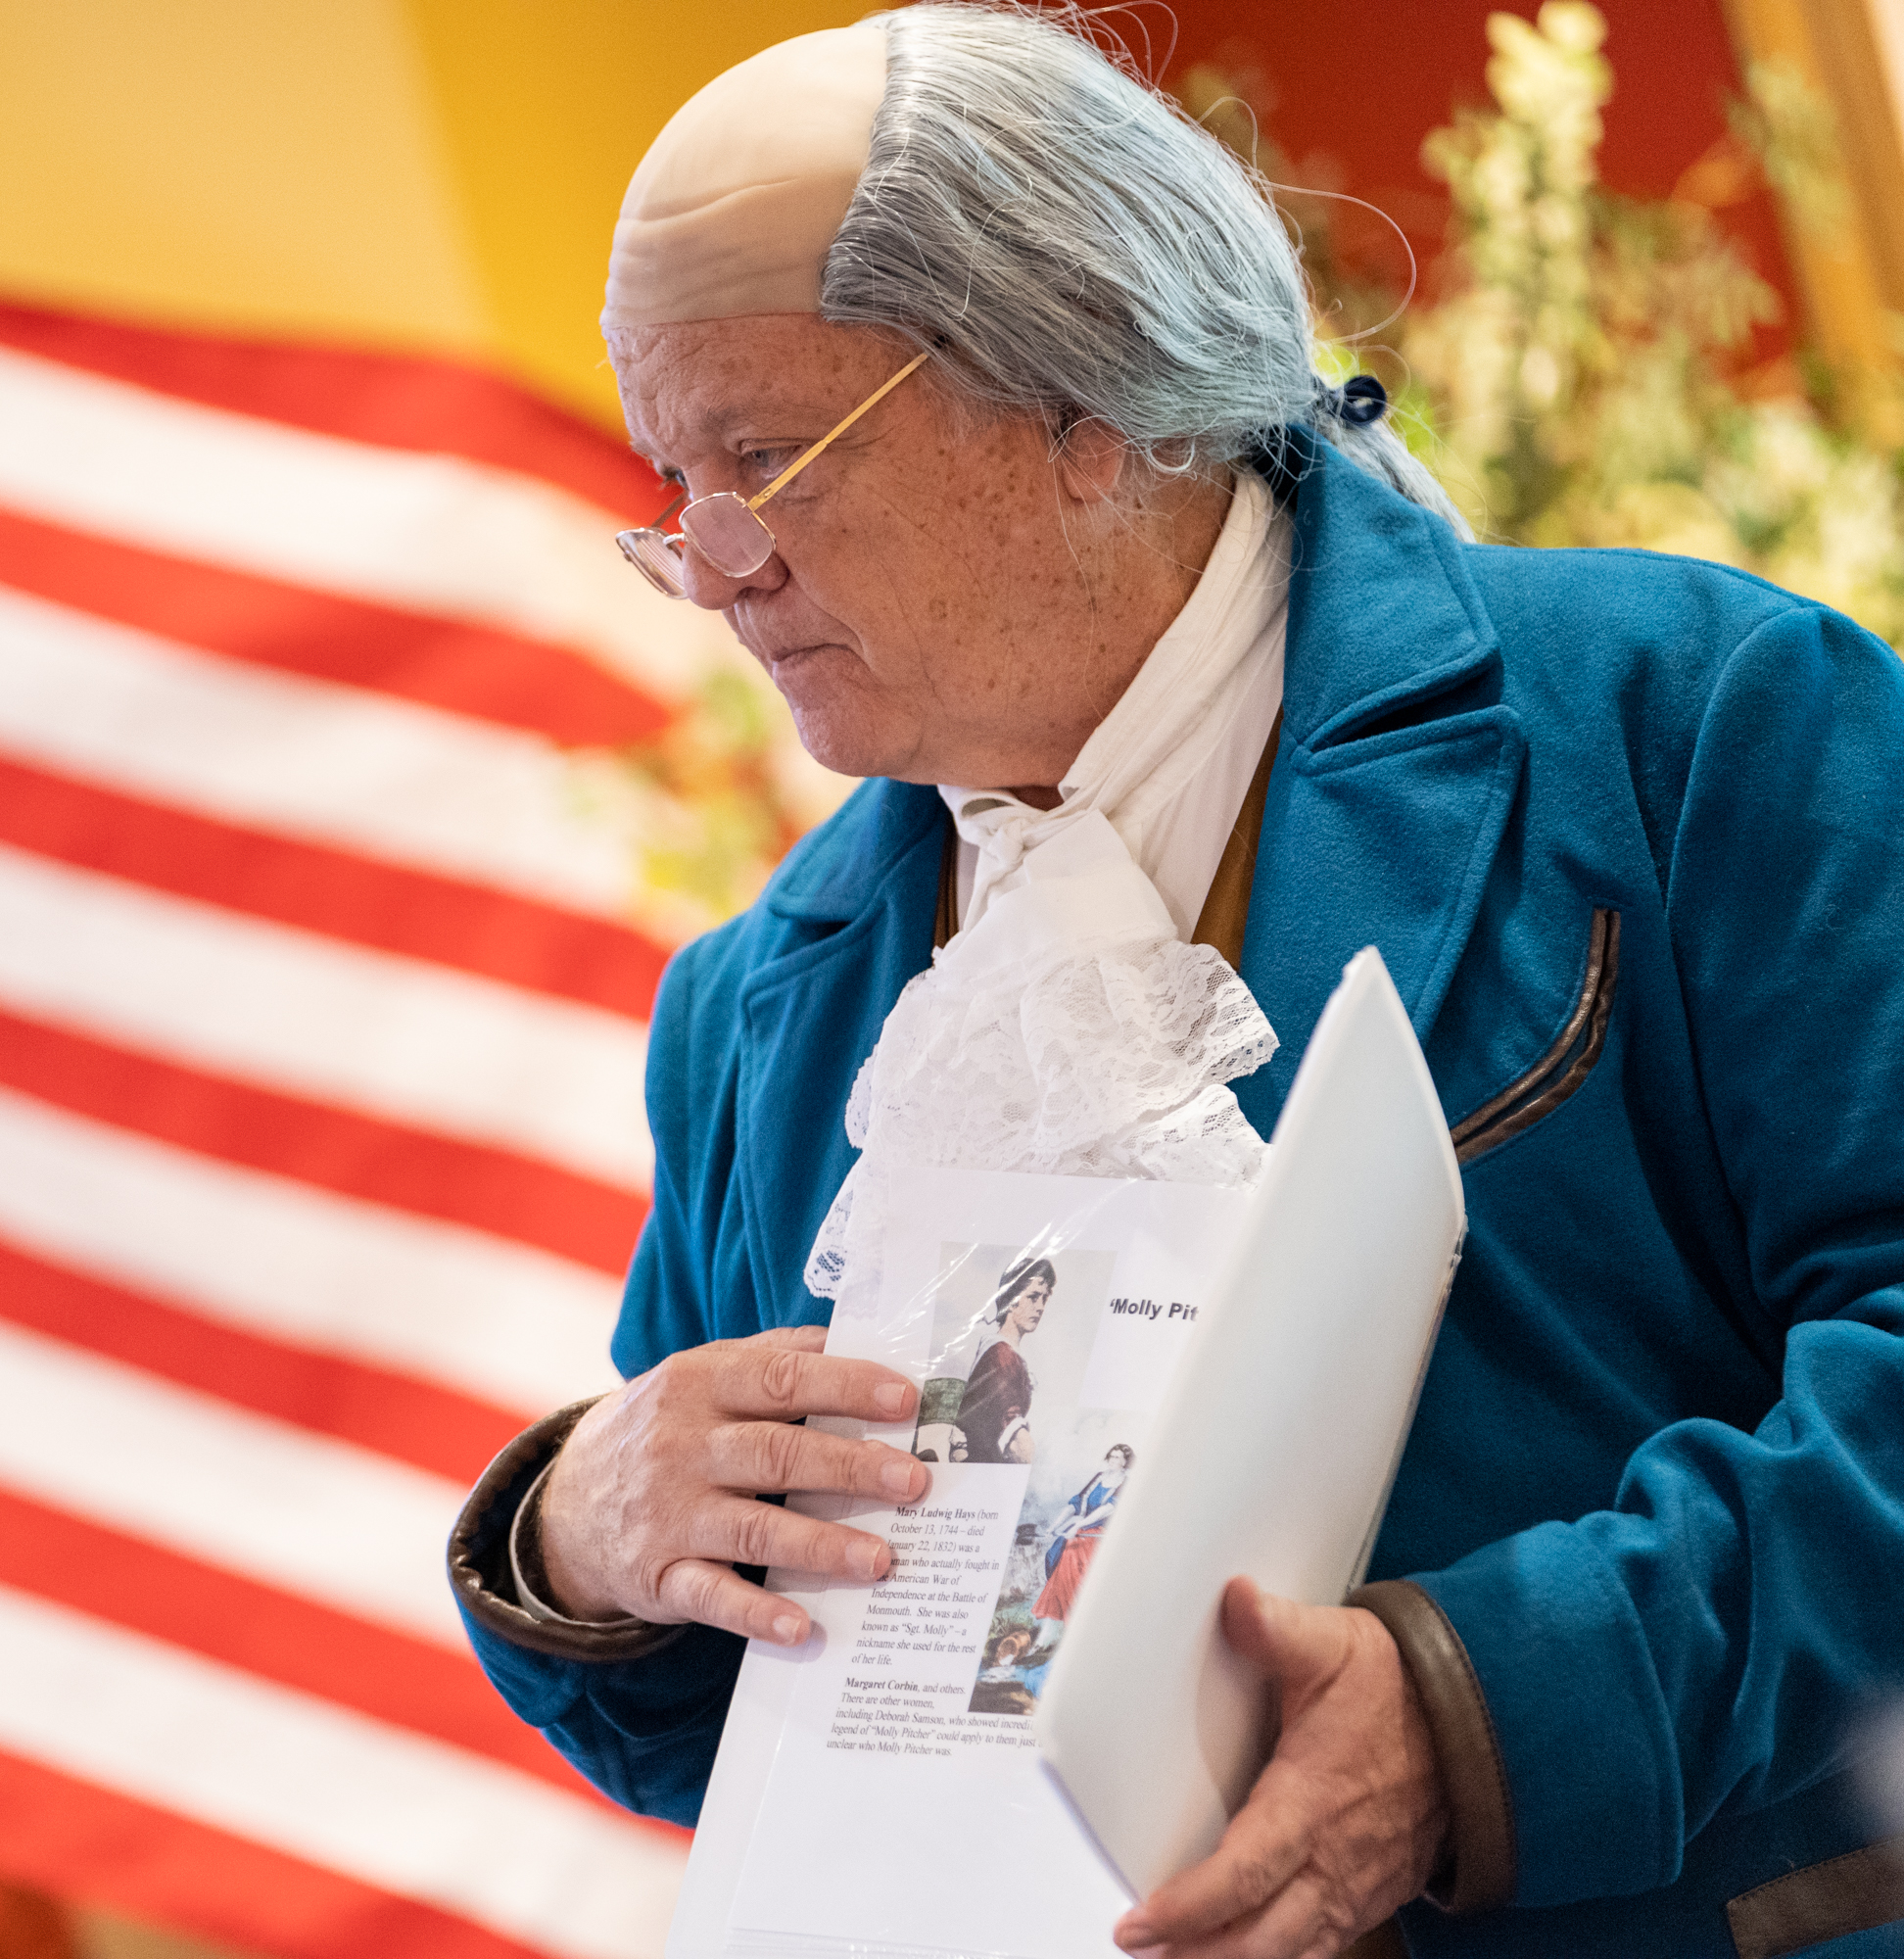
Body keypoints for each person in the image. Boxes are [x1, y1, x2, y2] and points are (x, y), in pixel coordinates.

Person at [442, 10, 1904, 1959]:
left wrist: (1480, 1718)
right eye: (671, 481)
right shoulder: (754, 1007)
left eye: (771, 458)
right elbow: (767, 1745)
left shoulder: (1698, 721)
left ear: (1086, 396)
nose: (711, 566)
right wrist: (582, 1533)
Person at [955, 1258, 1052, 1463]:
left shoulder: (1001, 1351)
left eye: (1044, 1298)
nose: (1040, 1307)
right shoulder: (1002, 1355)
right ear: (1010, 1299)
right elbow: (1018, 1442)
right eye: (1033, 1297)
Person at [1033, 1445, 1132, 1628]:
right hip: (1081, 1529)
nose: (1113, 1460)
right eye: (1111, 1456)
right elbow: (1076, 1504)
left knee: (1072, 1560)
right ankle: (1064, 1620)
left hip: (1101, 1534)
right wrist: (1055, 1525)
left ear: (1126, 1462)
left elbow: (1107, 1510)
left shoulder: (1125, 1483)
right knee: (1059, 1556)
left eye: (1118, 1458)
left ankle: (1081, 1622)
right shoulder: (1098, 1478)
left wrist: (1078, 1525)